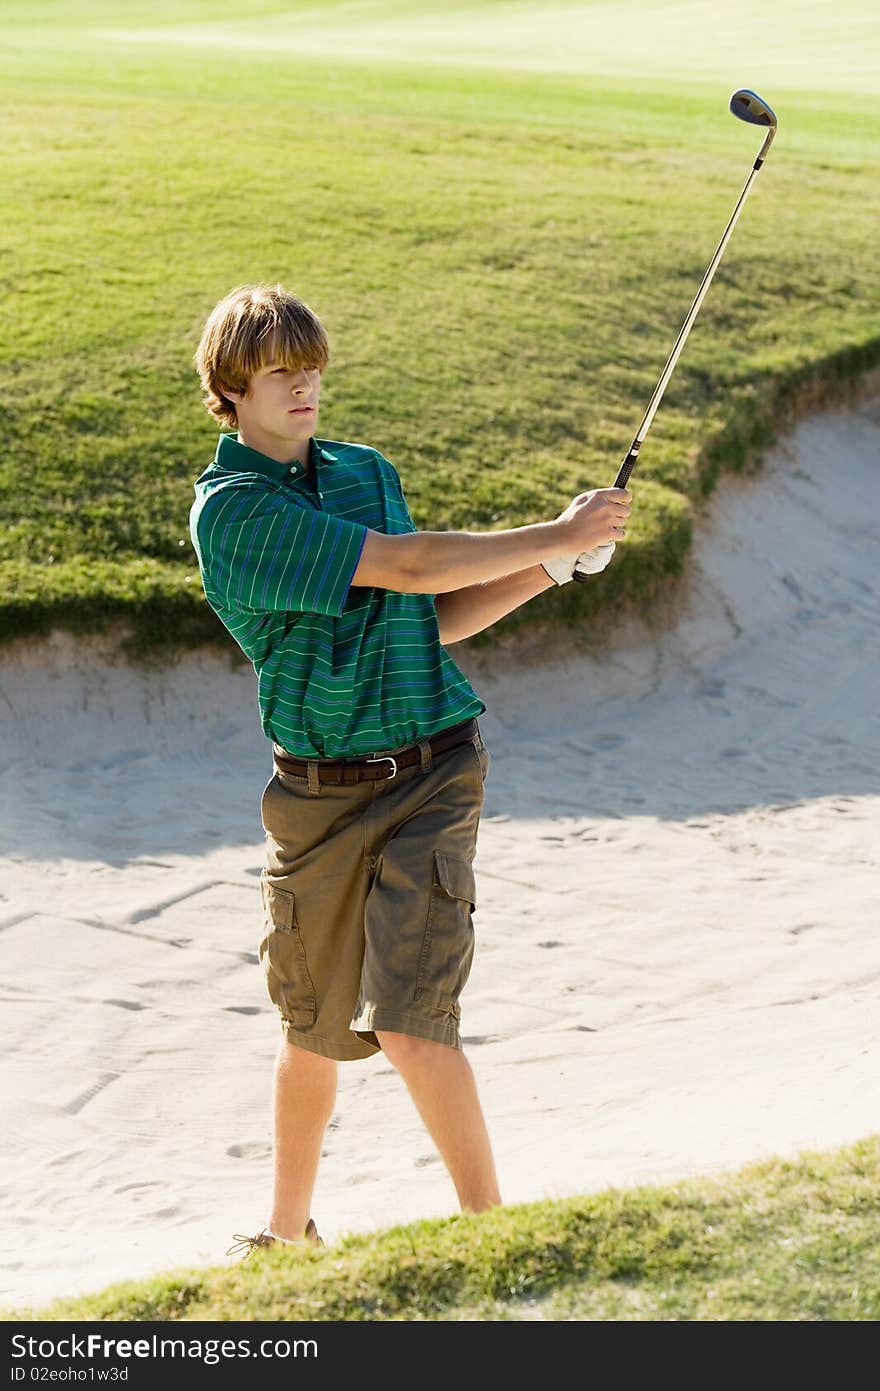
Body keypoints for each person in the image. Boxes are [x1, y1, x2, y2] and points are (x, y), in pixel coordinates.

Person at [189, 284, 631, 1254]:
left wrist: (555, 567)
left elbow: (424, 624)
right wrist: (557, 531)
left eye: (312, 370)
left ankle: (492, 1236)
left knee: (409, 1018)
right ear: (230, 389)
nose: (305, 389)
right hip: (315, 795)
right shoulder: (232, 515)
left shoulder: (363, 470)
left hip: (433, 768)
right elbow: (413, 566)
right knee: (311, 1023)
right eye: (280, 374)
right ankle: (285, 1231)